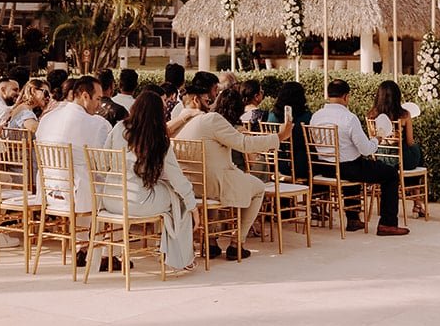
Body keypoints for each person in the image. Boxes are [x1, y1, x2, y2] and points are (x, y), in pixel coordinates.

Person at [177, 87, 286, 261]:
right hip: (215, 184)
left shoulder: (181, 122)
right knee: (258, 188)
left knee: (212, 188)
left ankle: (211, 242)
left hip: (191, 186)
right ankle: (237, 242)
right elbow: (244, 144)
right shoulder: (212, 119)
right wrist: (278, 137)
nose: (210, 99)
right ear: (198, 100)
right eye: (208, 96)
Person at [104, 90, 197, 273]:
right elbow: (176, 178)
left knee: (172, 193)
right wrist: (193, 206)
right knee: (180, 199)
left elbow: (105, 160)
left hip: (110, 199)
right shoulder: (158, 139)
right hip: (136, 202)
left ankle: (172, 252)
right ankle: (181, 257)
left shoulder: (119, 128)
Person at [309, 79, 407, 236]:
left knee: (355, 161)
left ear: (328, 95)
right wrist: (377, 139)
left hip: (324, 167)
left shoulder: (316, 116)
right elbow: (366, 150)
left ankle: (353, 219)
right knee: (390, 174)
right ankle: (387, 224)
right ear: (346, 96)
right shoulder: (349, 118)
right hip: (347, 168)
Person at [35, 75, 111, 256]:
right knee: (108, 184)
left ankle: (83, 245)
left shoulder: (47, 118)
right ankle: (104, 252)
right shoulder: (98, 124)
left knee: (87, 178)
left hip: (48, 192)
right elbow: (104, 164)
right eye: (98, 99)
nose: (100, 105)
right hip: (79, 195)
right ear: (85, 96)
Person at [369, 79, 423, 170]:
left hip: (380, 158)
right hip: (401, 160)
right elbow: (410, 142)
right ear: (397, 96)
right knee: (417, 149)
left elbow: (372, 139)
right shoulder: (404, 115)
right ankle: (412, 181)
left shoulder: (371, 115)